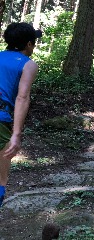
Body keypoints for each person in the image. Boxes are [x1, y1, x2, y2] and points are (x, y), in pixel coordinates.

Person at [0, 22, 41, 207]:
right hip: (1, 120)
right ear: (29, 44)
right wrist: (16, 134)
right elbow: (22, 97)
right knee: (1, 178)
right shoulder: (28, 64)